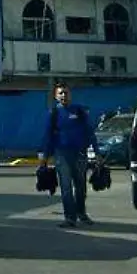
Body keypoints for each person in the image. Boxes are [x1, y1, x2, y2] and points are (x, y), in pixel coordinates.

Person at [39, 84, 94, 227]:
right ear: (56, 97)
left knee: (81, 186)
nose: (63, 95)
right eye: (60, 93)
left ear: (70, 94)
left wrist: (97, 152)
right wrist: (45, 157)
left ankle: (81, 213)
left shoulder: (79, 111)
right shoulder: (54, 113)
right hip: (62, 155)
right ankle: (70, 218)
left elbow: (90, 132)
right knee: (66, 187)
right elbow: (48, 136)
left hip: (80, 154)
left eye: (66, 93)